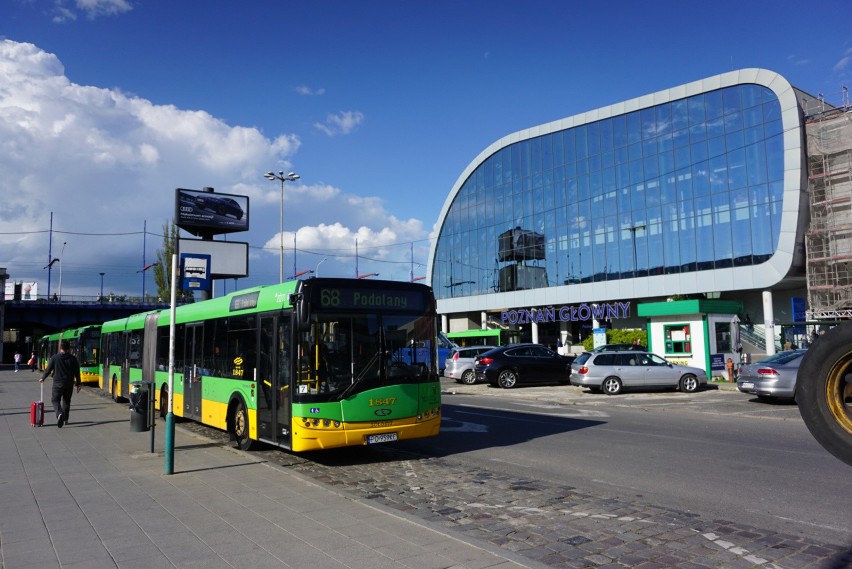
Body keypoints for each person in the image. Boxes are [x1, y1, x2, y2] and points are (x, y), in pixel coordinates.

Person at [39, 340, 82, 428]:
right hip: (69, 383)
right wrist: (78, 384)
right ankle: (65, 419)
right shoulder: (73, 359)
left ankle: (59, 414)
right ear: (68, 348)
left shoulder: (55, 357)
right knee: (66, 401)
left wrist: (43, 378)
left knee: (55, 400)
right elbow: (77, 372)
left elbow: (48, 369)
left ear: (60, 348)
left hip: (57, 383)